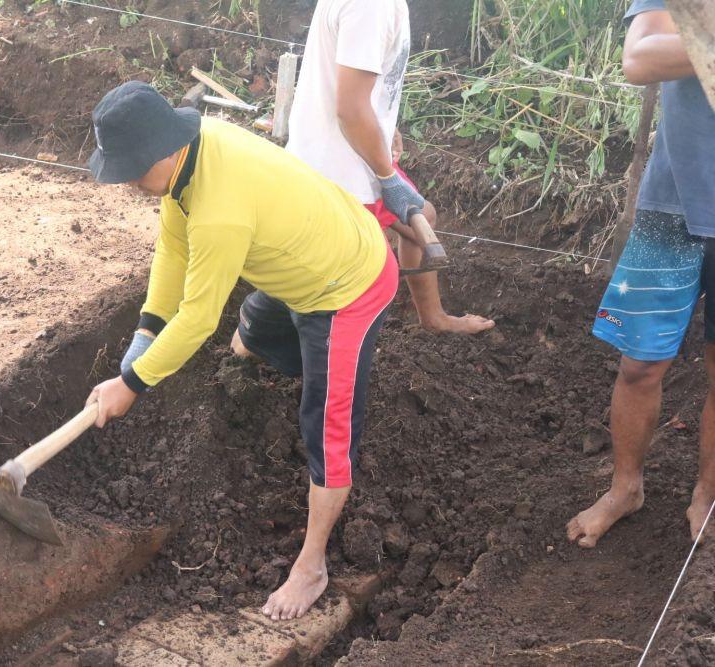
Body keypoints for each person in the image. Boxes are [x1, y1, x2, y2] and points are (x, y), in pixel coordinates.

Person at [85, 81, 400, 620]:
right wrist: (145, 329)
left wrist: (133, 382)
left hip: (347, 286)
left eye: (134, 169)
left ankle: (311, 565)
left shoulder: (219, 209)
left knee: (327, 423)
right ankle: (244, 409)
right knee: (251, 331)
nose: (132, 182)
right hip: (299, 260)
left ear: (163, 148)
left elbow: (199, 319)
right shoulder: (191, 154)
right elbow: (172, 247)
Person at [567, 0, 715, 548]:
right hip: (672, 203)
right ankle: (625, 488)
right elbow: (640, 58)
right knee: (639, 364)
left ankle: (707, 494)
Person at [287, 0, 494, 336]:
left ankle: (434, 319)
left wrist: (384, 126)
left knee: (421, 217)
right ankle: (251, 340)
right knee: (352, 288)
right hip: (339, 174)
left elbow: (352, 86)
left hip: (345, 156)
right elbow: (351, 109)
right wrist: (387, 177)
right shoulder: (373, 6)